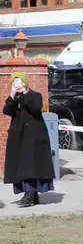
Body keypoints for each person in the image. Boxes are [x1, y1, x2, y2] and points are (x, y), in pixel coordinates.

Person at [4, 72, 54, 206]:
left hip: (33, 136)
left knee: (31, 165)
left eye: (19, 82)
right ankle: (30, 195)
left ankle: (30, 195)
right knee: (21, 165)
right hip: (19, 136)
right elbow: (7, 111)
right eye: (14, 82)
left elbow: (36, 108)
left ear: (24, 83)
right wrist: (12, 95)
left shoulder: (35, 95)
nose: (17, 85)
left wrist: (25, 93)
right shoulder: (16, 98)